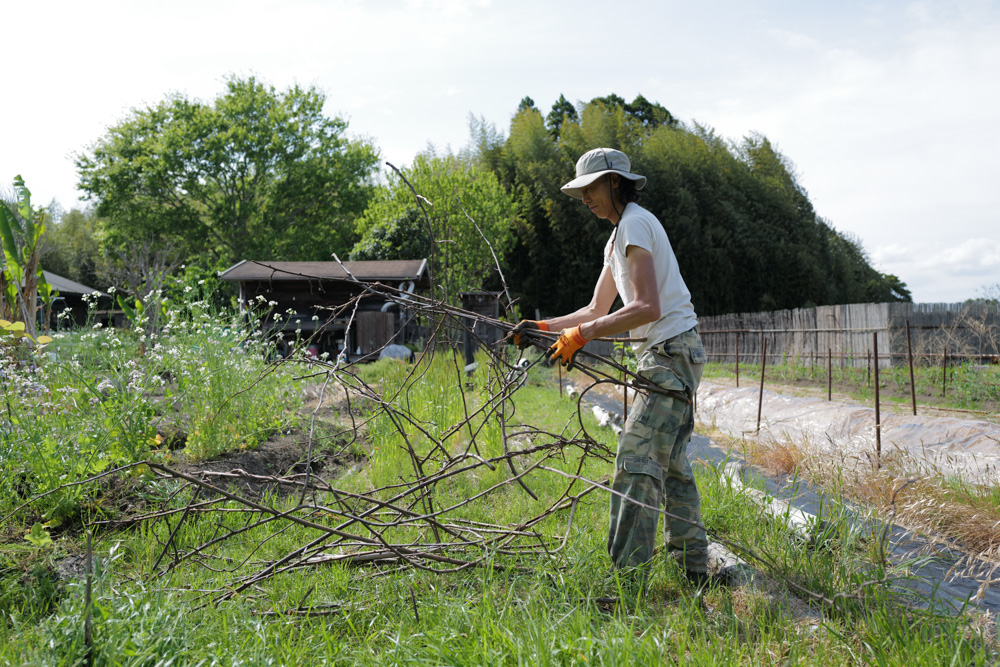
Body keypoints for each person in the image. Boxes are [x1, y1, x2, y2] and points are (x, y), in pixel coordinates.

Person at [513, 147, 710, 586]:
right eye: (579, 192)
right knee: (672, 463)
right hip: (668, 353)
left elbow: (645, 305)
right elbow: (594, 307)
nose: (584, 199)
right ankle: (694, 571)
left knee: (635, 456)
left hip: (670, 352)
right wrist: (543, 327)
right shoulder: (617, 236)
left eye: (590, 188)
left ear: (615, 183)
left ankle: (628, 583)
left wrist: (583, 336)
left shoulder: (636, 222)